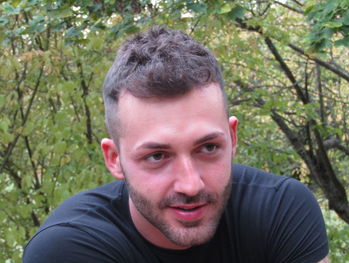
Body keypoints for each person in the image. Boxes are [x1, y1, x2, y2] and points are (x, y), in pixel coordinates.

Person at [23, 26, 329, 263]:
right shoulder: (69, 247)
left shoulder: (281, 210)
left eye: (208, 148)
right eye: (157, 155)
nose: (191, 185)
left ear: (232, 138)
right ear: (114, 159)